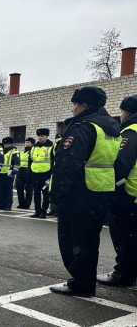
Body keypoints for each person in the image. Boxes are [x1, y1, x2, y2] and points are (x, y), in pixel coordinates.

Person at [49, 86, 120, 297]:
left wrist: (56, 196)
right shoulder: (111, 128)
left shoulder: (82, 127)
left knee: (73, 242)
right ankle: (85, 283)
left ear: (84, 105)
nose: (73, 109)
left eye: (75, 105)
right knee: (90, 241)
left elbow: (67, 165)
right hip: (102, 191)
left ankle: (81, 284)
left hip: (79, 194)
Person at [97, 94, 137, 288]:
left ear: (127, 112)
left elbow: (121, 164)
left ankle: (123, 274)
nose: (120, 115)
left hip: (129, 194)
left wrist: (113, 188)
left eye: (121, 111)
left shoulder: (130, 132)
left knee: (125, 236)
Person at [29, 128, 54, 218]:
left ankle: (44, 211)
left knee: (45, 193)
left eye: (42, 136)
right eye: (39, 136)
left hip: (46, 173)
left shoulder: (51, 146)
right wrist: (30, 171)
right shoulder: (34, 147)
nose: (40, 138)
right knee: (36, 193)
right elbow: (30, 160)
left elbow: (54, 160)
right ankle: (37, 211)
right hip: (35, 173)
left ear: (46, 136)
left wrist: (51, 174)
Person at [0, 137, 19, 211]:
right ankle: (1, 204)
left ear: (11, 144)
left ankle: (8, 205)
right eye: (4, 144)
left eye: (7, 144)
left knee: (8, 190)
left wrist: (13, 172)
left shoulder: (14, 151)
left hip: (9, 173)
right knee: (1, 190)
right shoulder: (1, 151)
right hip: (1, 172)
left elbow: (17, 163)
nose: (5, 145)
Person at [16, 138, 35, 209]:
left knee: (29, 189)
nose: (26, 143)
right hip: (20, 171)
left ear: (32, 143)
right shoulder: (22, 152)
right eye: (26, 142)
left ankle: (27, 204)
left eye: (28, 142)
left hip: (28, 171)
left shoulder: (33, 152)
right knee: (19, 188)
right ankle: (21, 203)